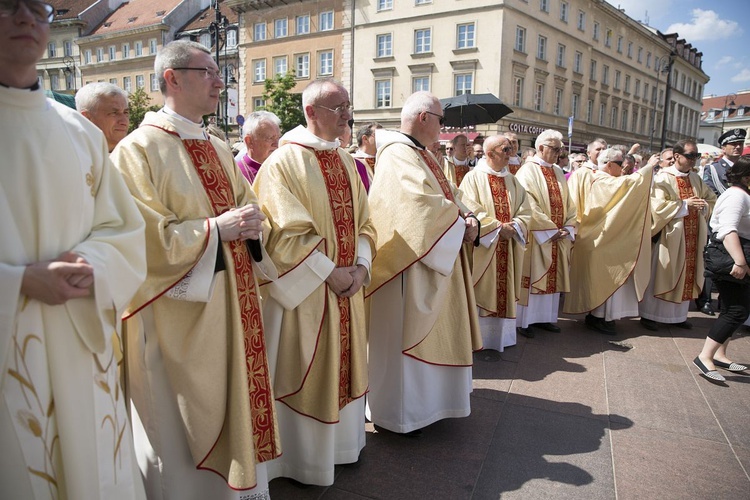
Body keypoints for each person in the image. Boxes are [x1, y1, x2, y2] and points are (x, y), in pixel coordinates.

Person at [112, 40, 281, 498]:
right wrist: (215, 230)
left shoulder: (217, 145)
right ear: (172, 78)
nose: (218, 80)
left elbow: (248, 205)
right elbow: (141, 238)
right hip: (178, 315)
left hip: (234, 301)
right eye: (206, 71)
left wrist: (250, 223)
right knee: (177, 419)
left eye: (216, 71)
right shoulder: (137, 150)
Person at [0, 2, 147, 498]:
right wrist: (17, 282)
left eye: (35, 8)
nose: (24, 19)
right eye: (6, 7)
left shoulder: (79, 132)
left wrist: (91, 264)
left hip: (79, 340)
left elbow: (123, 230)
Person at [254, 78, 376, 486]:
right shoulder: (283, 162)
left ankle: (343, 447)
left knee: (344, 365)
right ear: (311, 113)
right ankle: (303, 462)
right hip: (308, 291)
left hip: (346, 288)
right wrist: (330, 271)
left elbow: (365, 218)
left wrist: (359, 266)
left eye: (347, 105)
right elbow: (283, 232)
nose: (346, 113)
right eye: (337, 106)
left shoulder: (345, 160)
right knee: (302, 367)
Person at [366, 91, 482, 435]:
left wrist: (470, 214)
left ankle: (433, 406)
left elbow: (449, 195)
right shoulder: (398, 154)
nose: (443, 127)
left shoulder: (420, 154)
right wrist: (460, 223)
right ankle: (405, 415)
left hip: (433, 253)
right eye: (441, 120)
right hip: (410, 264)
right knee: (409, 337)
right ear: (423, 118)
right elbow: (417, 204)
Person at [563, 148, 653, 334]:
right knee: (602, 279)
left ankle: (601, 316)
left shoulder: (595, 177)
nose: (624, 168)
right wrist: (648, 168)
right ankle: (597, 317)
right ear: (609, 164)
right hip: (598, 240)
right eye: (621, 164)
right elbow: (628, 185)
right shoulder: (601, 179)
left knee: (600, 279)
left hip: (599, 238)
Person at [459, 135, 532, 351]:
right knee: (484, 288)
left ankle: (502, 338)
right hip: (485, 249)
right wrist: (500, 228)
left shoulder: (514, 181)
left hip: (507, 248)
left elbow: (526, 211)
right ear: (490, 153)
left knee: (504, 287)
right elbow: (469, 208)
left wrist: (517, 225)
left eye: (511, 149)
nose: (511, 154)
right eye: (506, 150)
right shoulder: (473, 178)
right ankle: (479, 340)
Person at [639, 140, 716, 331]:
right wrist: (684, 205)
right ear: (676, 156)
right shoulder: (662, 178)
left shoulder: (696, 179)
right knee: (663, 271)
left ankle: (677, 317)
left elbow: (710, 199)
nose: (694, 160)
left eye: (696, 156)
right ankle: (650, 315)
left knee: (687, 273)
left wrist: (703, 206)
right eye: (690, 156)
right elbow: (656, 208)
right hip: (669, 237)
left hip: (692, 237)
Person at [514, 129, 577, 337]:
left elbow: (569, 202)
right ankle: (526, 322)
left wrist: (568, 226)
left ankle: (545, 318)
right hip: (538, 236)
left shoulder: (558, 171)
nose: (559, 153)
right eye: (555, 148)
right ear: (540, 148)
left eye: (560, 149)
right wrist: (550, 229)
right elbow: (528, 205)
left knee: (552, 278)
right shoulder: (527, 171)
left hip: (558, 236)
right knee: (534, 275)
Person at [693, 156, 750, 381]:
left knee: (730, 308)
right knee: (737, 311)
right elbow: (727, 230)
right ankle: (705, 357)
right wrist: (740, 262)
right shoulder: (736, 196)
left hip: (738, 256)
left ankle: (720, 354)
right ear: (746, 177)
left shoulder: (743, 194)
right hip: (730, 258)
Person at [75, 81, 130, 152]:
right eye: (114, 113)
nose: (124, 121)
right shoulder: (73, 158)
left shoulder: (136, 156)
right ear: (86, 118)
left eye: (125, 113)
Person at [236, 110, 281, 184]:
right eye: (270, 138)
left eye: (278, 137)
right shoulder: (237, 174)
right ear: (249, 141)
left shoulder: (280, 168)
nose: (277, 144)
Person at [568, 138, 606, 223]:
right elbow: (573, 201)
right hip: (585, 222)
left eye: (604, 149)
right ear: (588, 153)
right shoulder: (580, 174)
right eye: (598, 149)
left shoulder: (609, 172)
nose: (602, 152)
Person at [704, 129, 746, 196]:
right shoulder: (713, 169)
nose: (738, 147)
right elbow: (710, 194)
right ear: (723, 148)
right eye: (734, 144)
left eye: (740, 144)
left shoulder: (745, 166)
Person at [352, 121, 382, 185]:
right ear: (365, 139)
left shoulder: (384, 159)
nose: (382, 138)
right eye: (378, 135)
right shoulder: (352, 161)